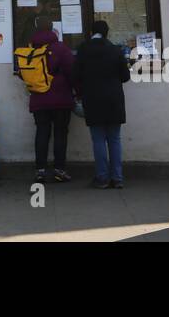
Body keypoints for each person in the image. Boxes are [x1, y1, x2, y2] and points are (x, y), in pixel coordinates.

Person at [73, 20, 131, 189]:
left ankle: (102, 178)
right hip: (114, 100)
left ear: (92, 32)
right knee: (114, 139)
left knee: (98, 140)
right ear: (107, 32)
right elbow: (125, 76)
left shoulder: (83, 49)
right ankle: (118, 178)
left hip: (93, 99)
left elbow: (75, 74)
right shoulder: (115, 49)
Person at [28, 18, 75, 183]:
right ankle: (59, 170)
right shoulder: (60, 48)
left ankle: (40, 170)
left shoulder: (30, 48)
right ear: (52, 29)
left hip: (38, 98)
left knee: (42, 133)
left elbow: (23, 73)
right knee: (60, 134)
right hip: (61, 99)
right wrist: (77, 91)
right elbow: (72, 71)